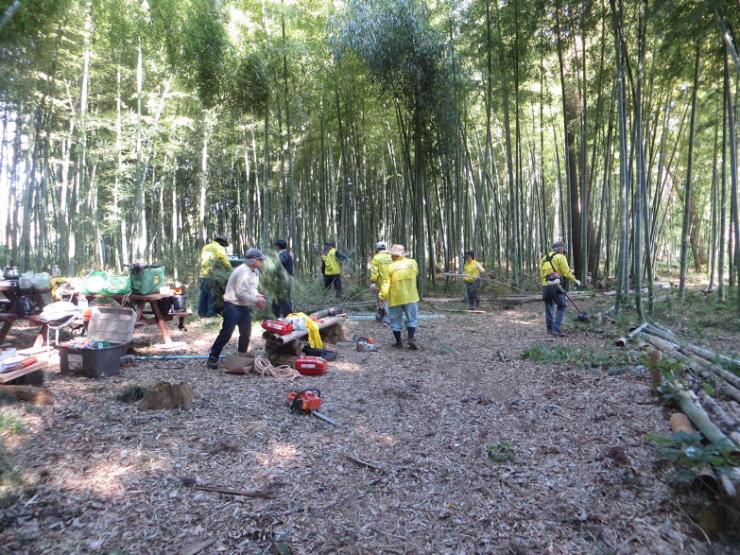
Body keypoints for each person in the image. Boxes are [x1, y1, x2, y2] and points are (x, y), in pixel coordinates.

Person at [207, 248, 267, 369]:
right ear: (253, 261)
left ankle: (241, 357)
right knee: (226, 333)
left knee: (246, 333)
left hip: (244, 306)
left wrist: (256, 295)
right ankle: (212, 358)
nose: (261, 262)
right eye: (260, 260)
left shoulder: (255, 271)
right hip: (232, 306)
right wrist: (256, 301)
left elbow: (251, 288)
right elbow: (240, 292)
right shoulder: (242, 271)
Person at [381, 244, 420, 350]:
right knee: (412, 319)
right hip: (411, 296)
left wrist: (382, 296)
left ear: (393, 256)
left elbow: (386, 283)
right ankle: (410, 338)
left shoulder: (390, 267)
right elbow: (416, 273)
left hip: (395, 297)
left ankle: (399, 343)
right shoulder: (413, 263)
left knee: (395, 321)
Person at [540, 241, 581, 337]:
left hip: (545, 286)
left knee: (549, 305)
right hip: (556, 285)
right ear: (561, 249)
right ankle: (556, 329)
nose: (564, 251)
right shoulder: (560, 257)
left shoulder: (544, 258)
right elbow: (566, 272)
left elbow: (542, 274)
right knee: (562, 306)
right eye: (563, 249)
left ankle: (549, 329)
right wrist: (575, 280)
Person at [198, 233, 231, 317]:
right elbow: (225, 261)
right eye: (224, 244)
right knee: (212, 295)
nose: (224, 246)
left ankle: (201, 313)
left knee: (203, 294)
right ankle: (210, 314)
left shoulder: (206, 247)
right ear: (222, 243)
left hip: (203, 274)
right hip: (213, 275)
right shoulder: (220, 248)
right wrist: (230, 271)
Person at [370, 241, 392, 322]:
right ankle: (385, 316)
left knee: (381, 300)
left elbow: (374, 272)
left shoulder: (376, 258)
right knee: (388, 300)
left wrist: (373, 281)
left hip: (381, 283)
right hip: (391, 282)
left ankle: (384, 316)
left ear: (377, 248)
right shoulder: (391, 257)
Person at [272, 239, 294, 318]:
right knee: (277, 297)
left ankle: (289, 316)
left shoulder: (283, 254)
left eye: (276, 246)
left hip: (284, 279)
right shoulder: (284, 254)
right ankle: (275, 315)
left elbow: (281, 263)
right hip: (281, 279)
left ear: (278, 247)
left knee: (284, 298)